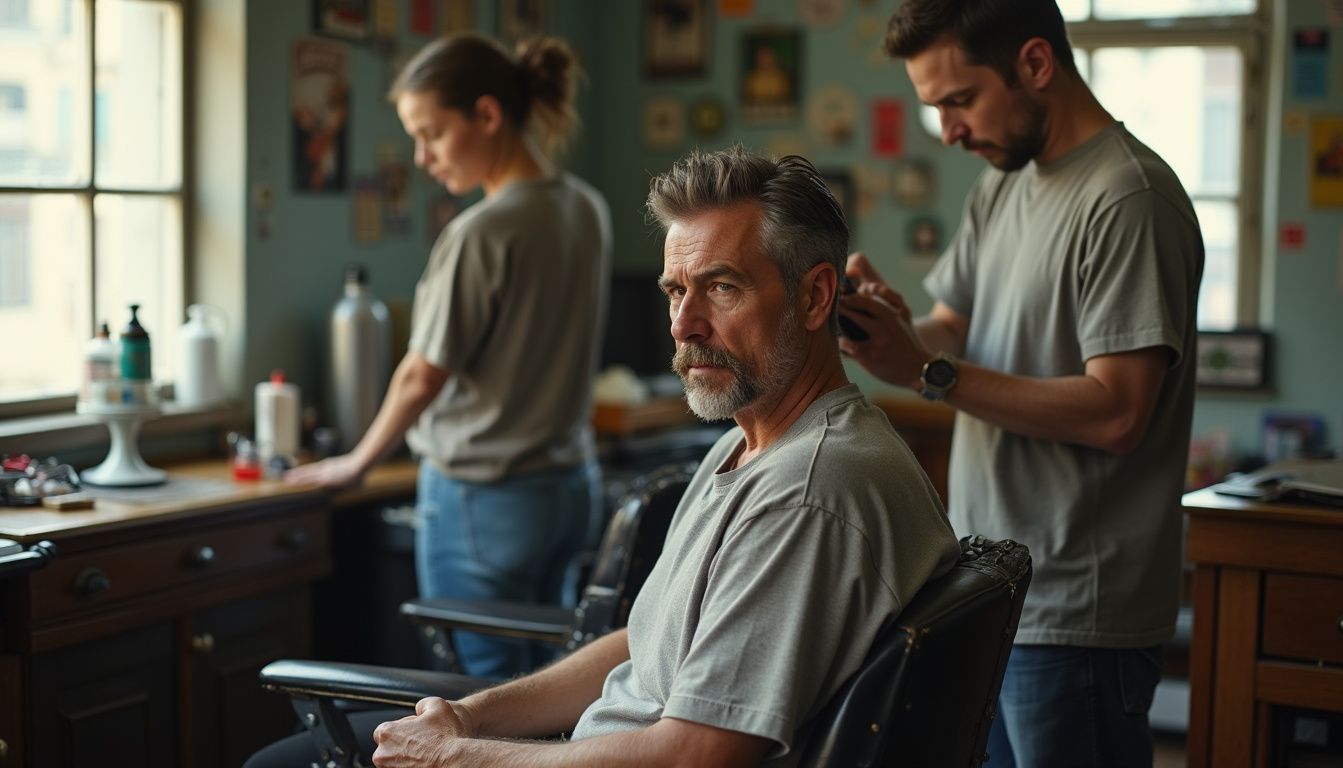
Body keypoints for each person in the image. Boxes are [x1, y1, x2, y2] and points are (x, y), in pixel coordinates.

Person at [248, 147, 960, 768]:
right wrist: (468, 718)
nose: (683, 325)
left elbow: (696, 755)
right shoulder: (750, 447)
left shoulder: (810, 491)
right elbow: (643, 643)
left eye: (720, 286)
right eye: (675, 292)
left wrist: (462, 758)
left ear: (816, 298)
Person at [838, 1, 1205, 766]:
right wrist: (896, 332)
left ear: (1036, 64)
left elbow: (1117, 413)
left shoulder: (1128, 197)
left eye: (959, 100)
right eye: (934, 107)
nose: (948, 131)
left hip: (1079, 615)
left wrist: (929, 371)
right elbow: (954, 332)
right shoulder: (1002, 183)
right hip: (989, 590)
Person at [283, 32, 612, 680]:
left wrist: (356, 462)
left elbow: (420, 373)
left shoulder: (481, 231)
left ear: (487, 116)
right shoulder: (586, 207)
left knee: (483, 692)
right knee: (554, 685)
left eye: (432, 133)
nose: (423, 156)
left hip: (483, 499)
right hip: (570, 487)